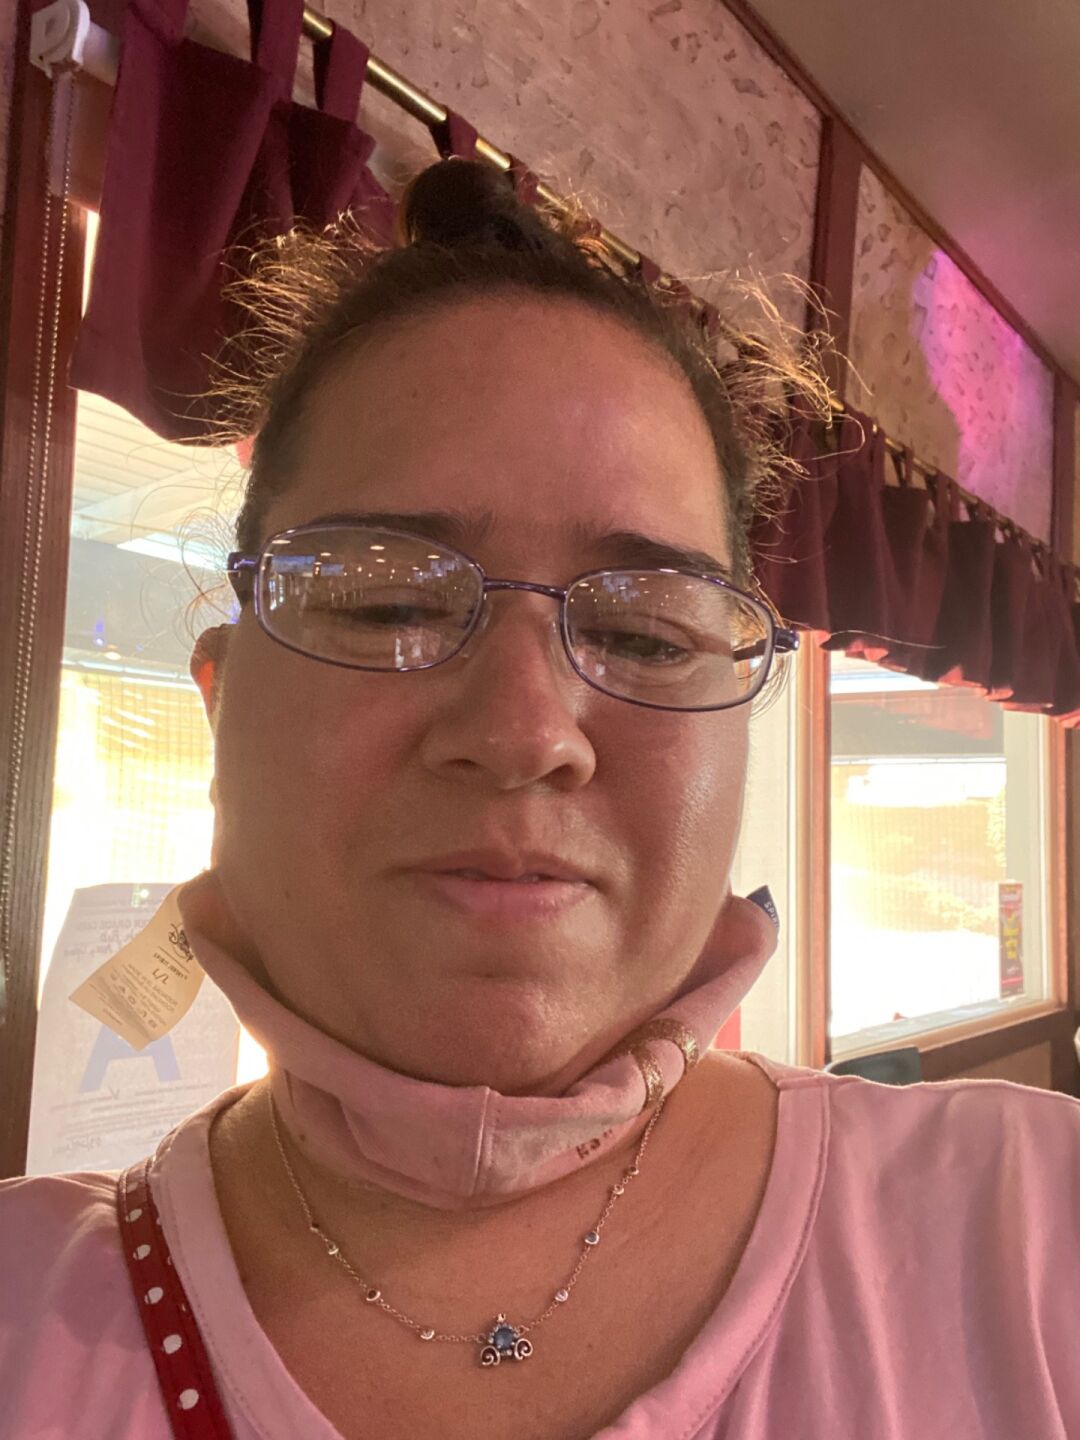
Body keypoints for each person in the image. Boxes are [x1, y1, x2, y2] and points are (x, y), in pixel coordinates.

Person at [2, 158, 1079, 1440]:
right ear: (223, 703)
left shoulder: (1037, 1229)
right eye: (385, 602)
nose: (523, 734)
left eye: (646, 632)